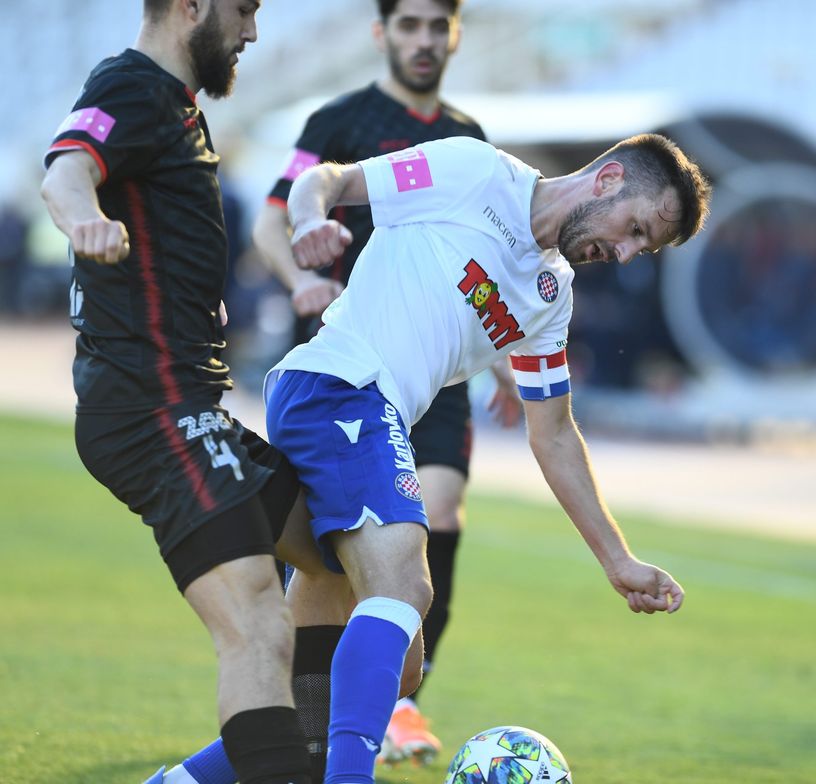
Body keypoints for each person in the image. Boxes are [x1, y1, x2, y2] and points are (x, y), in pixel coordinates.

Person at [267, 131, 710, 784]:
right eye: (635, 230)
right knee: (405, 590)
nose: (623, 254)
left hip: (364, 412)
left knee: (374, 672)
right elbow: (328, 180)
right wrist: (308, 221)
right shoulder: (475, 173)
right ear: (609, 179)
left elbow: (553, 433)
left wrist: (618, 560)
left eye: (640, 249)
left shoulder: (551, 296)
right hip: (339, 385)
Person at [38, 3, 326, 783]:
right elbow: (65, 170)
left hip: (190, 405)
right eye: (244, 9)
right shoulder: (131, 85)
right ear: (192, 5)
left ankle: (213, 775)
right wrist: (84, 219)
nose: (253, 32)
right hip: (151, 410)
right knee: (257, 621)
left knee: (334, 557)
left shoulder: (177, 106)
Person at [252, 0, 521, 769]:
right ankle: (303, 710)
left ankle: (399, 701)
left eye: (438, 26)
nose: (424, 40)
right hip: (349, 365)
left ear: (455, 35)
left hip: (432, 375)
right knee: (328, 558)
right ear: (382, 34)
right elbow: (274, 219)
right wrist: (301, 280)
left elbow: (483, 270)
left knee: (438, 511)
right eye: (409, 25)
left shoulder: (469, 139)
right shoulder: (339, 122)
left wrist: (504, 360)